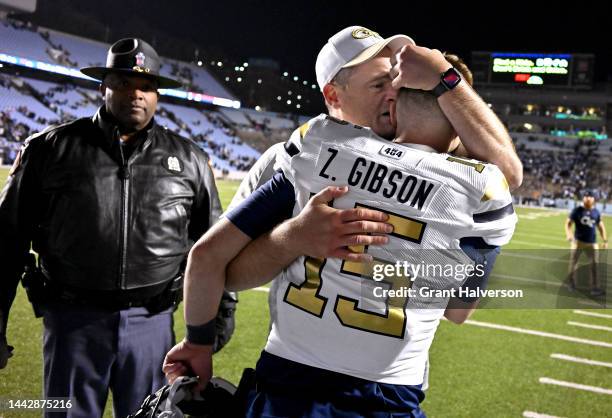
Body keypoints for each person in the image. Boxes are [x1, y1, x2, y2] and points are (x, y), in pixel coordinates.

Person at [163, 33, 517, 416]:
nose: (392, 93)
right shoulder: (475, 187)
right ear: (334, 96)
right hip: (375, 395)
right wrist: (292, 238)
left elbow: (206, 259)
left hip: (291, 385)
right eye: (380, 84)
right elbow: (460, 308)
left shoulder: (311, 148)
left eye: (396, 82)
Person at [0, 38, 231, 418]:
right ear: (103, 87)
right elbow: (7, 242)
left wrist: (218, 321)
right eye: (123, 83)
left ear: (157, 94)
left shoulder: (190, 158)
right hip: (72, 322)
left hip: (153, 325)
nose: (135, 95)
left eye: (145, 86)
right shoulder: (49, 149)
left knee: (151, 414)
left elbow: (215, 245)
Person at [565, 192, 608, 295]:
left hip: (592, 243)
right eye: (586, 196)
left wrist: (605, 240)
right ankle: (571, 285)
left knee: (594, 266)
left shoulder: (596, 212)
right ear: (583, 199)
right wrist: (569, 234)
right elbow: (568, 223)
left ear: (593, 199)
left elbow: (600, 226)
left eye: (590, 197)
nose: (588, 198)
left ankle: (594, 288)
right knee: (573, 264)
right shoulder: (577, 210)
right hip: (578, 242)